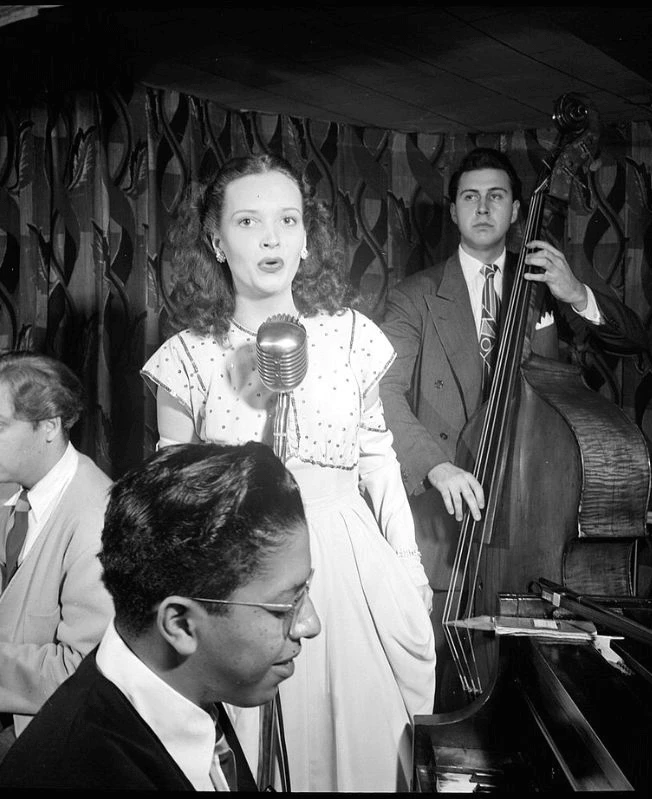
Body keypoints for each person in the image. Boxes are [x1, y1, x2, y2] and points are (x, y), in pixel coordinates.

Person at [141, 153, 436, 792]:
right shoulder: (186, 358)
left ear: (307, 240)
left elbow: (379, 458)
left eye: (288, 220)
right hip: (239, 573)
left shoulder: (352, 337)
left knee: (360, 748)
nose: (272, 237)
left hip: (347, 566)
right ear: (217, 241)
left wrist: (408, 566)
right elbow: (170, 491)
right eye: (248, 221)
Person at [379, 147, 649, 629]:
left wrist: (577, 294)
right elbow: (382, 394)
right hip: (445, 530)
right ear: (453, 209)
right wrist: (435, 466)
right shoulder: (413, 297)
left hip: (534, 520)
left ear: (517, 210)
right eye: (470, 196)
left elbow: (631, 341)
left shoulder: (546, 283)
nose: (483, 208)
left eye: (496, 196)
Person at [0, 442, 319, 790]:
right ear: (179, 624)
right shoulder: (78, 774)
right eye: (284, 605)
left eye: (306, 591)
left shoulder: (191, 687)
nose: (310, 624)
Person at [0, 350, 114, 784]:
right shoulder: (0, 493)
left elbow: (83, 676)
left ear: (50, 426)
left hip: (55, 727)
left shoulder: (98, 522)